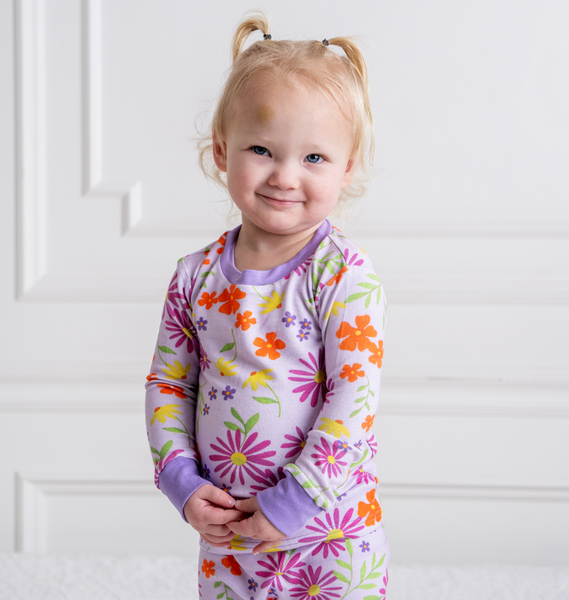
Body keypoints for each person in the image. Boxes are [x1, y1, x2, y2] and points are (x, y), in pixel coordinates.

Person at [145, 12, 389, 599]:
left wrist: (295, 501)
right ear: (221, 150)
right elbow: (169, 385)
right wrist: (181, 482)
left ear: (347, 166)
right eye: (262, 149)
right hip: (228, 534)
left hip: (330, 535)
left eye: (314, 158)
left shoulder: (344, 275)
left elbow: (353, 399)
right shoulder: (195, 276)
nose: (284, 176)